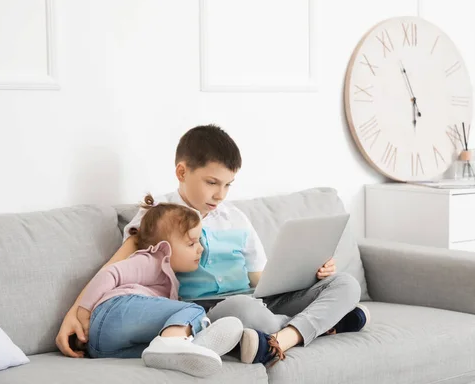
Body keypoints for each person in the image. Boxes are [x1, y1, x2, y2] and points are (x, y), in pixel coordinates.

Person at [56, 124, 369, 367]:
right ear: (182, 171)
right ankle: (324, 323)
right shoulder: (160, 214)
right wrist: (76, 311)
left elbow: (261, 280)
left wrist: (310, 276)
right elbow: (118, 266)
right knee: (242, 310)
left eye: (228, 185)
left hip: (256, 298)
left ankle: (286, 335)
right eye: (212, 182)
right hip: (215, 309)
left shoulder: (237, 218)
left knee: (345, 284)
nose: (221, 195)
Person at [76, 194, 243, 377]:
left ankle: (189, 348)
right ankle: (173, 342)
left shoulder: (168, 280)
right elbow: (110, 274)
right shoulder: (150, 259)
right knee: (193, 311)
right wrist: (84, 312)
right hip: (115, 309)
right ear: (165, 247)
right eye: (191, 243)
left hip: (102, 347)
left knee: (153, 349)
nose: (200, 249)